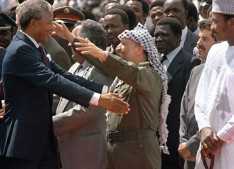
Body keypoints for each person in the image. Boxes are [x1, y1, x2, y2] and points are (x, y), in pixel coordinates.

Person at [0, 1, 128, 169]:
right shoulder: (20, 50)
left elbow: (63, 74)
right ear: (33, 23)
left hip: (39, 141)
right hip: (24, 142)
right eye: (49, 22)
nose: (53, 27)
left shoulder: (35, 47)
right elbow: (52, 80)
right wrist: (99, 99)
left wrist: (105, 90)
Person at [56, 22, 170, 169]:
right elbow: (102, 63)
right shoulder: (123, 75)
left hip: (138, 153)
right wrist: (71, 38)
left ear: (140, 48)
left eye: (123, 44)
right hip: (116, 150)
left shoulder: (149, 75)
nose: (118, 48)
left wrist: (102, 54)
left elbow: (124, 69)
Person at [53, 20, 113, 169]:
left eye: (74, 40)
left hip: (87, 150)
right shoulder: (74, 67)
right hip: (68, 146)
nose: (69, 45)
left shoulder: (100, 71)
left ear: (87, 43)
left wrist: (50, 124)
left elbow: (88, 110)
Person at [194, 0, 234, 169]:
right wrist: (204, 128)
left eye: (216, 21)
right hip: (208, 144)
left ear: (232, 23)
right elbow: (201, 96)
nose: (211, 27)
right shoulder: (216, 51)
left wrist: (221, 137)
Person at [154, 17, 197, 169]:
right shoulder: (153, 62)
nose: (158, 39)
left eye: (164, 35)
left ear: (178, 37)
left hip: (175, 139)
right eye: (156, 35)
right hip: (154, 140)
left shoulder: (191, 63)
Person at [178, 19, 216, 169]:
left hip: (211, 150)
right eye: (199, 38)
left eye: (205, 39)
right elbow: (184, 108)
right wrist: (184, 142)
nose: (198, 43)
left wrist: (193, 144)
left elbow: (215, 114)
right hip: (188, 153)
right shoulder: (196, 71)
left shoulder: (225, 72)